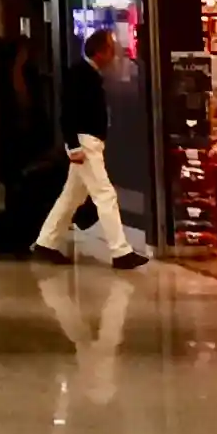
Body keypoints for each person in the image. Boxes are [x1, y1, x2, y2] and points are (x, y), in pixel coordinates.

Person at [34, 30, 150, 270]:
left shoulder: (86, 74)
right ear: (100, 51)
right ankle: (120, 251)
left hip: (87, 142)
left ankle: (46, 241)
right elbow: (68, 112)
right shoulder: (81, 75)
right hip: (85, 143)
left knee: (72, 196)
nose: (114, 53)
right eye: (110, 48)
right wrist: (73, 145)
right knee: (105, 194)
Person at [0, 36, 58, 259]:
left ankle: (17, 241)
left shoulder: (30, 77)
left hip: (27, 144)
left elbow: (38, 111)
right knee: (10, 194)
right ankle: (6, 243)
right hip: (5, 144)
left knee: (23, 193)